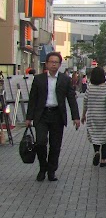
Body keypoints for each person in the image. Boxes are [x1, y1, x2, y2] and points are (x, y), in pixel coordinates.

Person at [25, 52, 80, 182]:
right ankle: (42, 167)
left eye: (56, 62)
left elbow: (71, 99)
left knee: (55, 145)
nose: (54, 64)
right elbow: (33, 99)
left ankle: (51, 170)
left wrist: (76, 117)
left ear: (60, 65)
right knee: (40, 142)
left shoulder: (65, 79)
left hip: (57, 115)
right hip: (42, 115)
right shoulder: (38, 79)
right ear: (47, 64)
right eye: (51, 62)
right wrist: (29, 118)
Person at [81, 66, 106, 168]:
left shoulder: (89, 88)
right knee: (105, 139)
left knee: (95, 136)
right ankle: (103, 160)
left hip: (93, 117)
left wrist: (83, 115)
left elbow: (85, 102)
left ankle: (96, 151)